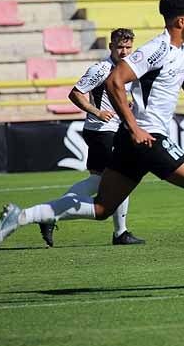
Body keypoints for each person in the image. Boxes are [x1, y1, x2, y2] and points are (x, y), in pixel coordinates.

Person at [0, 0, 184, 287]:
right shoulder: (156, 49)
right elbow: (114, 81)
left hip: (133, 140)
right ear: (180, 21)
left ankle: (21, 216)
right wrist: (135, 127)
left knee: (101, 208)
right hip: (147, 137)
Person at [39, 28, 145, 248]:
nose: (124, 51)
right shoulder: (101, 69)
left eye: (127, 47)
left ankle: (53, 214)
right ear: (111, 47)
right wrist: (97, 112)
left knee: (97, 181)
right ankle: (119, 233)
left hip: (111, 130)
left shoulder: (126, 68)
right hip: (101, 131)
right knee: (121, 178)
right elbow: (76, 93)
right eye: (119, 47)